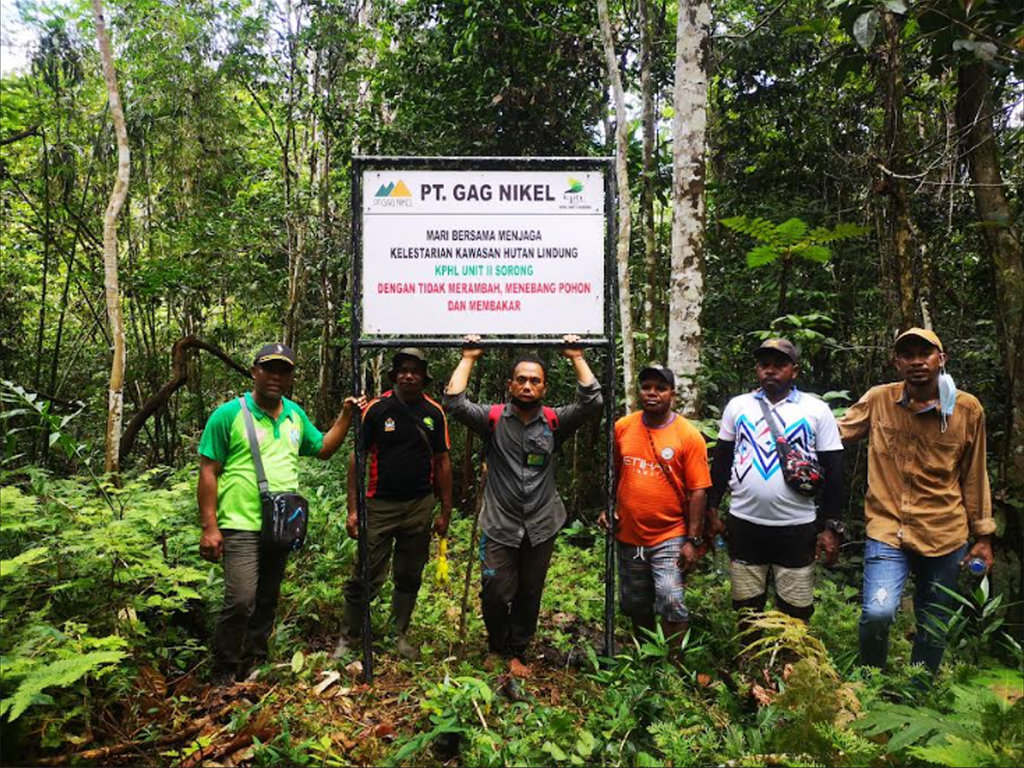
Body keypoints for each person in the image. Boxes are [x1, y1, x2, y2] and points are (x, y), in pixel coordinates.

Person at [199, 343, 361, 685]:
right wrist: (210, 526)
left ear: (290, 377)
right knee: (241, 599)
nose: (275, 376)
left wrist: (346, 415)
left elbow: (322, 448)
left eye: (283, 370)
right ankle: (224, 668)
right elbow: (209, 470)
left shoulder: (294, 415)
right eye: (269, 368)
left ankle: (253, 662)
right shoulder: (228, 414)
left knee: (267, 598)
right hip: (240, 522)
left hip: (281, 523)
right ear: (254, 371)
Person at [444, 334, 602, 683]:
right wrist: (469, 357)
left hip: (542, 523)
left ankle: (517, 651)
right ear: (510, 385)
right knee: (495, 589)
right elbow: (454, 403)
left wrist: (576, 357)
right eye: (521, 380)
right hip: (500, 523)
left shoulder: (554, 421)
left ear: (544, 387)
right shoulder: (493, 418)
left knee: (530, 591)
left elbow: (592, 402)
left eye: (535, 381)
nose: (528, 386)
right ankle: (496, 646)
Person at [839, 328, 994, 673]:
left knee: (934, 623)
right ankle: (871, 686)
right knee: (877, 613)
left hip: (945, 533)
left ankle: (918, 693)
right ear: (897, 363)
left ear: (942, 359)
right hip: (888, 527)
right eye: (907, 355)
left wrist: (983, 536)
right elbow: (836, 432)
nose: (917, 362)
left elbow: (975, 474)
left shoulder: (967, 410)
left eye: (925, 354)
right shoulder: (879, 399)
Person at [707, 338, 844, 625]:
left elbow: (834, 468)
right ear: (757, 369)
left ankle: (791, 654)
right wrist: (712, 509)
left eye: (780, 365)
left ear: (794, 371)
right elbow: (721, 461)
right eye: (764, 364)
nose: (770, 370)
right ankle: (751, 652)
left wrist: (831, 526)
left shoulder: (816, 410)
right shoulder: (738, 406)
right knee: (746, 607)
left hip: (797, 525)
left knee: (795, 610)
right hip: (744, 522)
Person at [333, 348, 453, 660]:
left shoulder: (434, 413)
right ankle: (349, 637)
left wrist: (445, 511)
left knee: (410, 573)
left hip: (419, 505)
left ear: (424, 377)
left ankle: (398, 634)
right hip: (379, 505)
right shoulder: (376, 410)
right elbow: (357, 458)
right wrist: (353, 509)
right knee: (366, 571)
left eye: (415, 371)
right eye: (402, 370)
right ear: (394, 376)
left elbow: (442, 462)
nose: (408, 376)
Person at [599, 364, 712, 649]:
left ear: (672, 393)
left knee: (671, 597)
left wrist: (693, 540)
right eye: (647, 387)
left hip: (669, 533)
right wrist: (607, 507)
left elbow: (698, 491)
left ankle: (674, 664)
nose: (652, 393)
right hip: (629, 532)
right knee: (636, 602)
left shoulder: (688, 436)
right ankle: (647, 656)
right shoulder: (623, 427)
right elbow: (614, 472)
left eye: (660, 388)